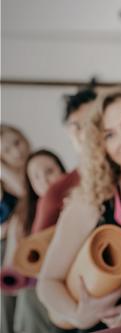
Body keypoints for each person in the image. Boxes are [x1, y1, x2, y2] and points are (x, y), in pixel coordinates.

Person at [37, 89, 121, 332]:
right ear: (101, 145)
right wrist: (79, 316)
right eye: (110, 135)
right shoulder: (91, 202)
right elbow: (47, 283)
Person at [13, 149, 67, 333]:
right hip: (39, 280)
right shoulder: (28, 214)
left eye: (49, 171)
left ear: (62, 171)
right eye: (36, 177)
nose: (44, 180)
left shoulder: (77, 202)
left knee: (30, 298)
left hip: (68, 278)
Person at [31, 88, 97, 233]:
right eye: (76, 126)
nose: (85, 133)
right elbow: (33, 251)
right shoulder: (57, 192)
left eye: (91, 122)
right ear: (69, 132)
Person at [0, 124, 31, 333]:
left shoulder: (37, 167)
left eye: (17, 143)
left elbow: (23, 189)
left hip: (25, 246)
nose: (16, 151)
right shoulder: (3, 184)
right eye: (7, 151)